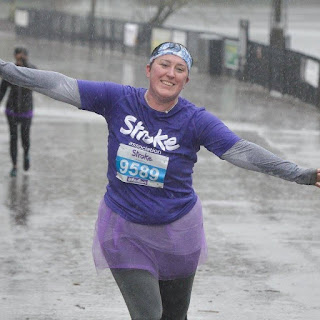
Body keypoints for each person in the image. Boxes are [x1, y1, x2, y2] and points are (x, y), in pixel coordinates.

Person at [0, 42, 319, 320]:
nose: (170, 73)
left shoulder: (195, 120)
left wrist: (298, 174)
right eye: (164, 64)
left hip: (178, 234)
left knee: (174, 316)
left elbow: (241, 151)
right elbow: (59, 84)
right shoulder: (118, 99)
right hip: (124, 230)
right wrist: (5, 69)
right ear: (149, 69)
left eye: (180, 69)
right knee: (149, 315)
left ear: (186, 79)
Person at [0, 47, 36, 177]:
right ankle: (14, 165)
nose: (19, 58)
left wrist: (25, 64)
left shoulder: (31, 70)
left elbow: (38, 78)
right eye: (17, 56)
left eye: (21, 56)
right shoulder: (10, 71)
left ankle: (26, 154)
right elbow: (2, 91)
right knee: (13, 138)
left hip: (26, 111)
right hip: (11, 111)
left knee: (25, 138)